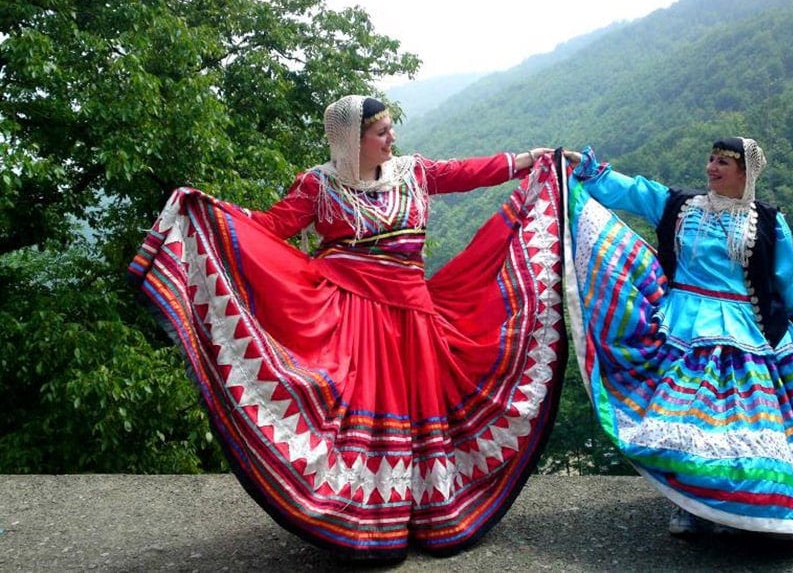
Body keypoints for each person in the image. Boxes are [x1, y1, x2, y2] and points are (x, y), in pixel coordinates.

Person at [129, 95, 567, 562]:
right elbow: (273, 227)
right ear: (351, 142)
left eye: (390, 129)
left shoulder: (414, 172)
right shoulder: (318, 185)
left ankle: (427, 515)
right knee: (357, 411)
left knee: (421, 411)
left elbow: (463, 172)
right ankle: (365, 524)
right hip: (350, 316)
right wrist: (216, 219)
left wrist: (527, 162)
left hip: (413, 315)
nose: (391, 138)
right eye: (381, 133)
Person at [560, 138, 793, 545]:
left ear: (746, 174)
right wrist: (588, 171)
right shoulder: (681, 206)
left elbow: (787, 277)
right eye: (712, 159)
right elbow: (632, 191)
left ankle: (741, 509)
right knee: (684, 421)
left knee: (734, 427)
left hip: (747, 333)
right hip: (683, 328)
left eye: (723, 163)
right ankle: (692, 504)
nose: (712, 168)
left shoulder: (768, 222)